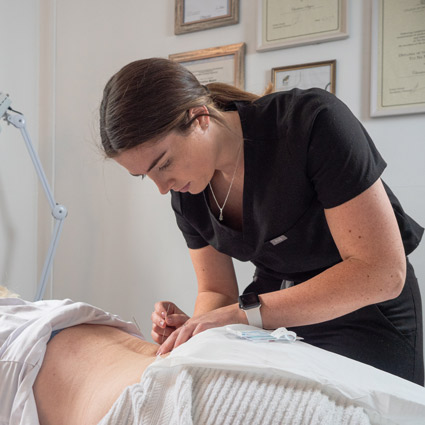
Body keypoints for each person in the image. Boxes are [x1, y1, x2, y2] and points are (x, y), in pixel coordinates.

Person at [99, 58, 424, 385]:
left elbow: (382, 273)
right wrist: (196, 328)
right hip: (268, 321)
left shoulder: (311, 123)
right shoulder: (187, 191)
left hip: (364, 313)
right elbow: (216, 291)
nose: (161, 187)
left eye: (164, 163)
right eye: (144, 177)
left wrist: (241, 315)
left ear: (199, 118)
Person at [2, 294, 425, 425]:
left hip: (220, 361)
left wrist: (195, 326)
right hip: (166, 393)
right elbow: (215, 290)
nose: (160, 185)